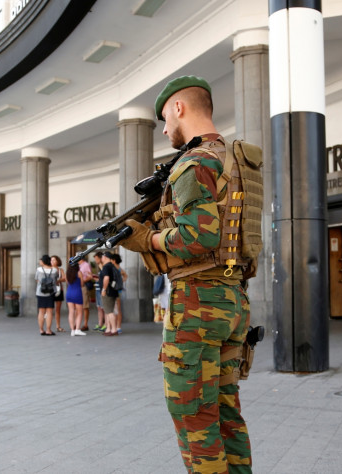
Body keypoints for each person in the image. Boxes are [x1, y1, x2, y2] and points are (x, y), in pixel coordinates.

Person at [120, 76, 254, 473]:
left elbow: (200, 234)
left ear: (179, 107)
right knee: (226, 414)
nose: (164, 129)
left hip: (198, 304)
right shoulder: (233, 158)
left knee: (194, 416)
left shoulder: (194, 164)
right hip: (232, 299)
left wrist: (148, 239)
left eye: (164, 118)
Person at [35, 254, 57, 336]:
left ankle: (41, 330)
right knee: (49, 311)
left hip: (40, 292)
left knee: (41, 311)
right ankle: (48, 330)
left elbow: (37, 280)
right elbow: (55, 280)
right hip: (50, 292)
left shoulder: (39, 270)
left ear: (43, 261)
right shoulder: (54, 270)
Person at [99, 251, 119, 336]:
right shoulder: (112, 266)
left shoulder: (106, 267)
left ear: (106, 257)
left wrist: (104, 289)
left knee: (109, 311)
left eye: (102, 256)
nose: (101, 258)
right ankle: (108, 328)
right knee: (108, 311)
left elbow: (106, 278)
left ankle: (113, 329)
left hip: (108, 291)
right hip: (113, 291)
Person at [65, 262, 86, 336]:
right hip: (77, 293)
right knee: (79, 312)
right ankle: (77, 329)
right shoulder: (79, 273)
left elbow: (67, 282)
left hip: (69, 293)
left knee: (71, 312)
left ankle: (72, 330)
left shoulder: (67, 273)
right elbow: (82, 284)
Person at [111, 253, 127, 334]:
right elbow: (125, 276)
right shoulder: (120, 268)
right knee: (118, 309)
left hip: (115, 290)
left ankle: (116, 326)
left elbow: (125, 276)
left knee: (114, 309)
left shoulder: (114, 268)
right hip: (119, 290)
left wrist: (119, 282)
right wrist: (121, 282)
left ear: (114, 260)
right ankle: (118, 327)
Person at [51, 255, 66, 333]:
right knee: (49, 309)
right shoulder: (49, 269)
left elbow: (64, 278)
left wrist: (58, 280)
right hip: (51, 290)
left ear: (57, 261)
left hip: (59, 290)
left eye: (54, 260)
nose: (52, 261)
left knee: (58, 309)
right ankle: (48, 326)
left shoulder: (60, 270)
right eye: (51, 260)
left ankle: (58, 326)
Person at [78, 255, 93, 331]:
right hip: (78, 287)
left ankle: (85, 324)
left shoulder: (86, 265)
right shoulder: (79, 265)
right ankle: (78, 323)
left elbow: (90, 276)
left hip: (84, 287)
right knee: (78, 306)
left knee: (85, 306)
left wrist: (82, 281)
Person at [92, 251, 106, 332]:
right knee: (99, 307)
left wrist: (97, 279)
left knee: (103, 307)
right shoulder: (99, 266)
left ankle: (105, 324)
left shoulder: (104, 266)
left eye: (96, 259)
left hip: (101, 289)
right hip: (97, 288)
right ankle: (100, 323)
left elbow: (105, 277)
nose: (96, 261)